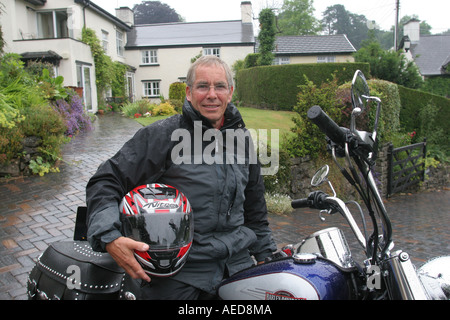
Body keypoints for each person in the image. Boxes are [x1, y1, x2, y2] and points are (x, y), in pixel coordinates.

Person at [85, 55, 277, 299]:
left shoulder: (242, 140)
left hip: (237, 266)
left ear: (230, 92)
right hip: (180, 273)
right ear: (188, 92)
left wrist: (268, 256)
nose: (211, 94)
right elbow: (106, 180)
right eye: (202, 86)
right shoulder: (164, 135)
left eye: (219, 86)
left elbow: (255, 212)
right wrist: (109, 237)